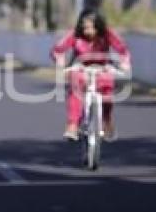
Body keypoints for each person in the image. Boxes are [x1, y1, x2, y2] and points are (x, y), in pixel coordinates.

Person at [51, 8, 131, 142]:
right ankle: (73, 125)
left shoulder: (107, 34)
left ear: (99, 26)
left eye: (91, 27)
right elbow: (57, 49)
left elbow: (122, 49)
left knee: (107, 84)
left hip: (102, 68)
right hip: (81, 68)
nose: (87, 31)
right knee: (76, 85)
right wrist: (60, 59)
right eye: (84, 27)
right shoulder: (75, 35)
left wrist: (124, 62)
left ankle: (106, 120)